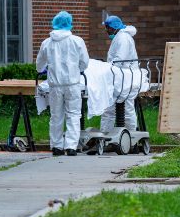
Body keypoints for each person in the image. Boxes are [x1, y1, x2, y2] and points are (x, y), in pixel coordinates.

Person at [36, 11, 89, 156]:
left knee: (56, 116)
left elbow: (39, 65)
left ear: (54, 24)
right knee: (73, 115)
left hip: (54, 86)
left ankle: (57, 146)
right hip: (72, 84)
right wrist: (77, 69)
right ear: (69, 24)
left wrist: (44, 69)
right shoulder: (77, 41)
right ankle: (71, 146)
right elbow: (84, 63)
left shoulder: (47, 43)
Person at [101, 15, 139, 132]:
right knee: (109, 109)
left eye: (108, 28)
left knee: (126, 109)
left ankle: (132, 138)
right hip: (120, 78)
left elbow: (120, 60)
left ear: (115, 27)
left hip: (125, 79)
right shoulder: (120, 37)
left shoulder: (123, 38)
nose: (107, 30)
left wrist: (106, 69)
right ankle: (107, 137)